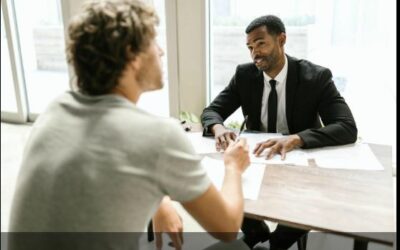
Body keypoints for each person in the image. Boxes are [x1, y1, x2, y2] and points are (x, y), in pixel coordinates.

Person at [8, 1, 251, 250]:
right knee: (237, 247)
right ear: (131, 55)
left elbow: (102, 165)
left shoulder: (54, 110)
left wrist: (161, 201)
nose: (161, 51)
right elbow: (227, 227)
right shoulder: (159, 136)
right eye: (154, 41)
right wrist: (233, 167)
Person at [201, 15, 357, 250]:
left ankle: (275, 245)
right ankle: (256, 232)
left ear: (282, 39)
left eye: (261, 43)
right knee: (225, 181)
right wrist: (219, 127)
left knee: (310, 201)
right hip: (258, 157)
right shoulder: (245, 75)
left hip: (297, 161)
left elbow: (346, 126)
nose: (255, 53)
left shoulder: (315, 77)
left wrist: (297, 138)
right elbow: (212, 111)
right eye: (250, 47)